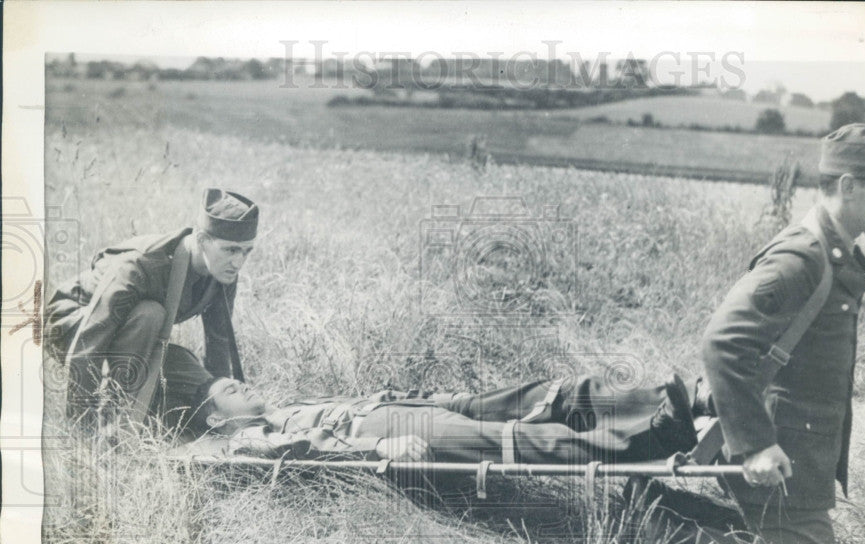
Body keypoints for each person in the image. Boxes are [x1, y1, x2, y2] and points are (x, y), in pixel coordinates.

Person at [699, 123, 865, 544]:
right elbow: (722, 342)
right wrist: (754, 445)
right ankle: (654, 526)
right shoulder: (803, 257)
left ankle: (683, 520)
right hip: (780, 459)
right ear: (849, 186)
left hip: (800, 458)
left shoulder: (833, 253)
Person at [45, 188, 258, 427]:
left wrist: (222, 408)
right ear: (201, 240)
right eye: (230, 249)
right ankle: (115, 415)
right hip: (72, 323)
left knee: (191, 376)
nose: (239, 262)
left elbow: (219, 342)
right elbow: (88, 344)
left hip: (129, 334)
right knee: (150, 314)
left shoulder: (224, 271)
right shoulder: (141, 264)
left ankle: (144, 409)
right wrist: (83, 428)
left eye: (246, 251)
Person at [187, 373, 699, 466]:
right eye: (231, 391)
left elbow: (367, 395)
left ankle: (670, 401)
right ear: (215, 420)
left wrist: (443, 397)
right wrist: (376, 451)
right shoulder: (248, 439)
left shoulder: (288, 404)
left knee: (548, 395)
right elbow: (304, 452)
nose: (244, 385)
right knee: (517, 441)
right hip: (384, 433)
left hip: (404, 408)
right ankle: (656, 436)